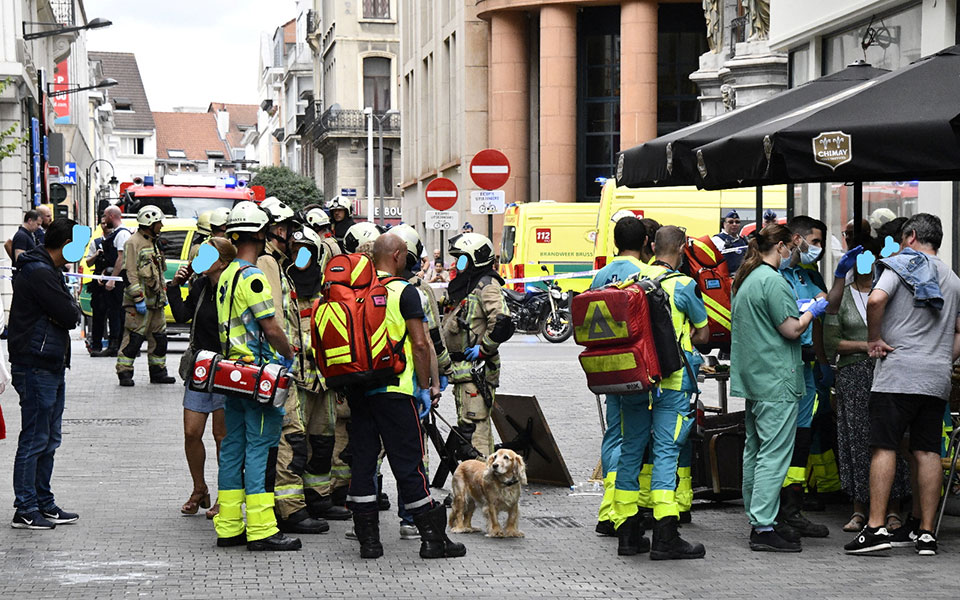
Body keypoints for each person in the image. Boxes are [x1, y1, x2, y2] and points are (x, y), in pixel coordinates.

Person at [844, 213, 960, 556]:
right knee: (927, 451)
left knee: (885, 447)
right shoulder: (953, 278)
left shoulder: (899, 267)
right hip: (935, 378)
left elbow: (876, 300)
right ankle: (926, 534)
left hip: (897, 375)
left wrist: (874, 339)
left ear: (910, 236)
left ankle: (875, 528)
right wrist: (940, 357)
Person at [346, 233, 465, 560]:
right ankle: (432, 539)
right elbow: (421, 344)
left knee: (364, 464)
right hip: (397, 393)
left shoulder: (355, 290)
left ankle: (369, 541)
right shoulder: (404, 291)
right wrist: (426, 387)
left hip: (359, 391)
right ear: (397, 255)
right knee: (409, 465)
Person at [730, 224, 827, 552]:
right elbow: (791, 330)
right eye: (791, 248)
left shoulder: (745, 278)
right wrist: (811, 311)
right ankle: (763, 526)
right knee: (774, 454)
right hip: (776, 379)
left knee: (755, 451)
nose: (792, 254)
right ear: (782, 247)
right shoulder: (772, 281)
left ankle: (758, 518)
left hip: (755, 378)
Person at [214, 201, 300, 551]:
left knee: (232, 447)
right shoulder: (252, 277)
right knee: (261, 448)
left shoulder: (226, 275)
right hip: (258, 376)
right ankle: (262, 529)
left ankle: (229, 526)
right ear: (262, 235)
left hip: (230, 374)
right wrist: (290, 353)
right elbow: (271, 327)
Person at [824, 238, 910, 534]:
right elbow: (832, 342)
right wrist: (869, 345)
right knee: (857, 442)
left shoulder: (888, 293)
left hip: (888, 374)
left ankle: (893, 508)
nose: (865, 264)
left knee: (890, 439)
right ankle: (859, 508)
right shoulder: (843, 296)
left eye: (870, 257)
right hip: (853, 377)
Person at [257, 197, 330, 535]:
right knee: (290, 439)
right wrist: (285, 356)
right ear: (276, 229)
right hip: (282, 369)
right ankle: (290, 510)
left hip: (299, 373)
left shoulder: (279, 266)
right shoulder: (268, 264)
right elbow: (272, 319)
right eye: (287, 230)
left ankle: (299, 503)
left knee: (300, 439)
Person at [8, 218, 82, 530]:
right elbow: (69, 314)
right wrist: (68, 309)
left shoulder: (49, 270)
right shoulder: (39, 272)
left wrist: (68, 309)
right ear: (66, 244)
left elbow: (70, 313)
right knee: (35, 438)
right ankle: (26, 508)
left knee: (49, 438)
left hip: (49, 361)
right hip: (35, 363)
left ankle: (43, 502)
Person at [391, 224, 453, 539]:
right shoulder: (416, 291)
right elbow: (428, 341)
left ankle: (364, 523)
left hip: (373, 384)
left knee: (370, 454)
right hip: (410, 385)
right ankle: (412, 519)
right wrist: (435, 381)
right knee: (414, 454)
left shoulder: (370, 287)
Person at [167, 238, 235, 519]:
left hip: (227, 369)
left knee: (222, 437)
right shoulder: (200, 286)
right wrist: (175, 286)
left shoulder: (234, 287)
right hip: (200, 367)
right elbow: (182, 315)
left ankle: (225, 496)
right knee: (191, 432)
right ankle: (199, 488)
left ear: (223, 262)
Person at [776, 215, 830, 538]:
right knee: (780, 438)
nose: (819, 247)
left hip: (807, 367)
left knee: (802, 437)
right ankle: (775, 511)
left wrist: (822, 361)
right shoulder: (773, 274)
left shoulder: (806, 274)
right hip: (784, 365)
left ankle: (793, 509)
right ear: (797, 239)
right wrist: (809, 308)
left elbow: (824, 310)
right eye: (816, 241)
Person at [442, 232, 512, 457]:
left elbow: (502, 321)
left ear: (475, 259)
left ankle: (479, 475)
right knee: (470, 427)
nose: (456, 264)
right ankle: (483, 474)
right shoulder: (468, 285)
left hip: (476, 372)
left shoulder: (487, 285)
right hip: (463, 372)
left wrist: (483, 349)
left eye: (461, 259)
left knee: (474, 433)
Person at [115, 205, 176, 386]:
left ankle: (158, 372)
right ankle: (124, 372)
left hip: (156, 302)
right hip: (139, 302)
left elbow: (157, 272)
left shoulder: (153, 242)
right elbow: (129, 272)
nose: (161, 226)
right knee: (133, 339)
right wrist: (138, 298)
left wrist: (162, 296)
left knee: (159, 338)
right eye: (159, 223)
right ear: (150, 224)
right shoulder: (133, 243)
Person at [93, 206, 132, 357]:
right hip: (113, 277)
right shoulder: (117, 233)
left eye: (105, 215)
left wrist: (112, 279)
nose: (104, 219)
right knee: (113, 312)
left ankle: (116, 345)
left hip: (119, 280)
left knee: (117, 313)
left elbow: (121, 259)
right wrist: (106, 272)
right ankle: (114, 344)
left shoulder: (122, 234)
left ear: (111, 216)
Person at [84, 216, 114, 355]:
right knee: (98, 315)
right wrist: (96, 254)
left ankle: (114, 344)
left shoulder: (117, 240)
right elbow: (88, 262)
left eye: (108, 223)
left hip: (114, 282)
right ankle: (96, 345)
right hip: (99, 284)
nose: (105, 225)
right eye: (103, 223)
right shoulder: (96, 242)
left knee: (115, 315)